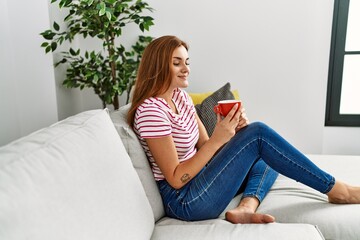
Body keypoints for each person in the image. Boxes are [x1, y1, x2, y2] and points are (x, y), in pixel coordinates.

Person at [127, 35, 360, 224]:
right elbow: (176, 179)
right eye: (176, 63)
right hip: (185, 200)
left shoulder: (182, 98)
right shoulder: (151, 111)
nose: (186, 69)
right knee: (259, 134)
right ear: (158, 66)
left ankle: (246, 207)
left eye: (187, 62)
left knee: (268, 155)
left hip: (200, 181)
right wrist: (222, 140)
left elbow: (207, 148)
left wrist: (231, 135)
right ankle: (338, 190)